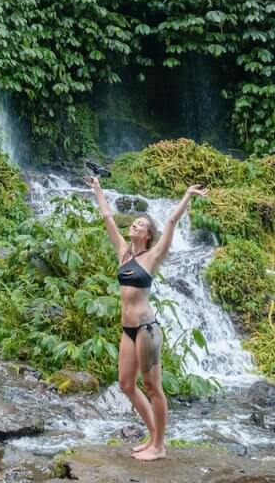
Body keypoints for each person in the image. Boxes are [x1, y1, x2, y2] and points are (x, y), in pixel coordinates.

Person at [84, 175, 208, 461]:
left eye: (140, 224)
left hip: (146, 328)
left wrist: (187, 195)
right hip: (127, 329)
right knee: (126, 384)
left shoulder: (153, 256)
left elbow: (171, 222)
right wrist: (98, 189)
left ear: (148, 234)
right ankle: (153, 437)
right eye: (134, 223)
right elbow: (107, 217)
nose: (134, 225)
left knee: (153, 387)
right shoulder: (123, 253)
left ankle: (160, 445)